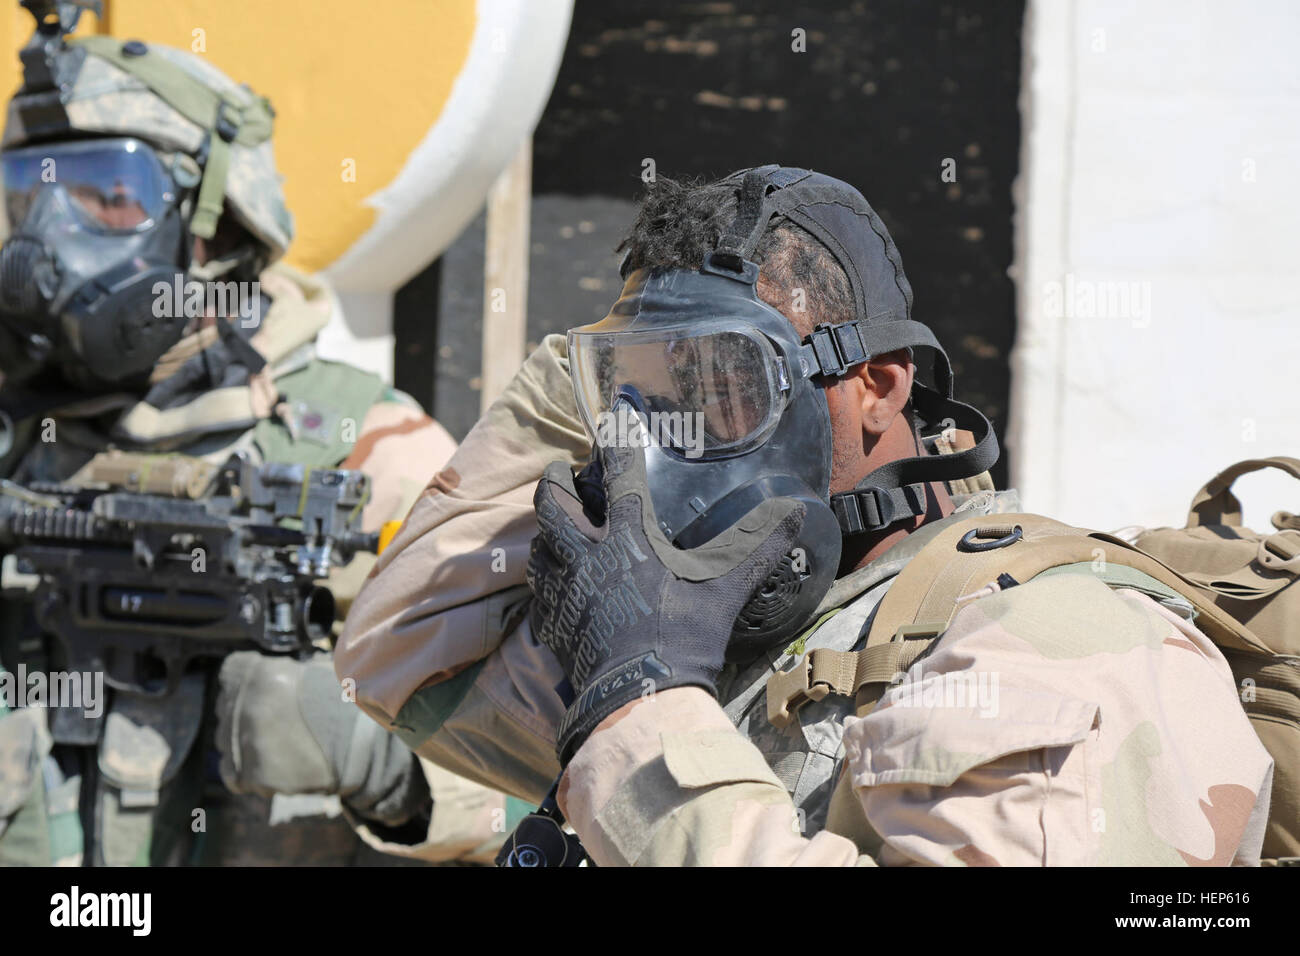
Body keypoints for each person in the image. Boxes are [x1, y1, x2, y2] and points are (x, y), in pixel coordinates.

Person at [337, 166, 1274, 866]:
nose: (679, 441)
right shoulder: (702, 635)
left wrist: (647, 710)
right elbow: (402, 648)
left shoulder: (1059, 637)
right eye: (651, 401)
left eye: (727, 385)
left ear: (877, 384)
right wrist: (583, 377)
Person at [0, 11, 508, 866]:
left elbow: (537, 782)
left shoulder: (364, 450)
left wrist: (388, 767)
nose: (47, 242)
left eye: (109, 199)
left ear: (218, 229)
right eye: (27, 196)